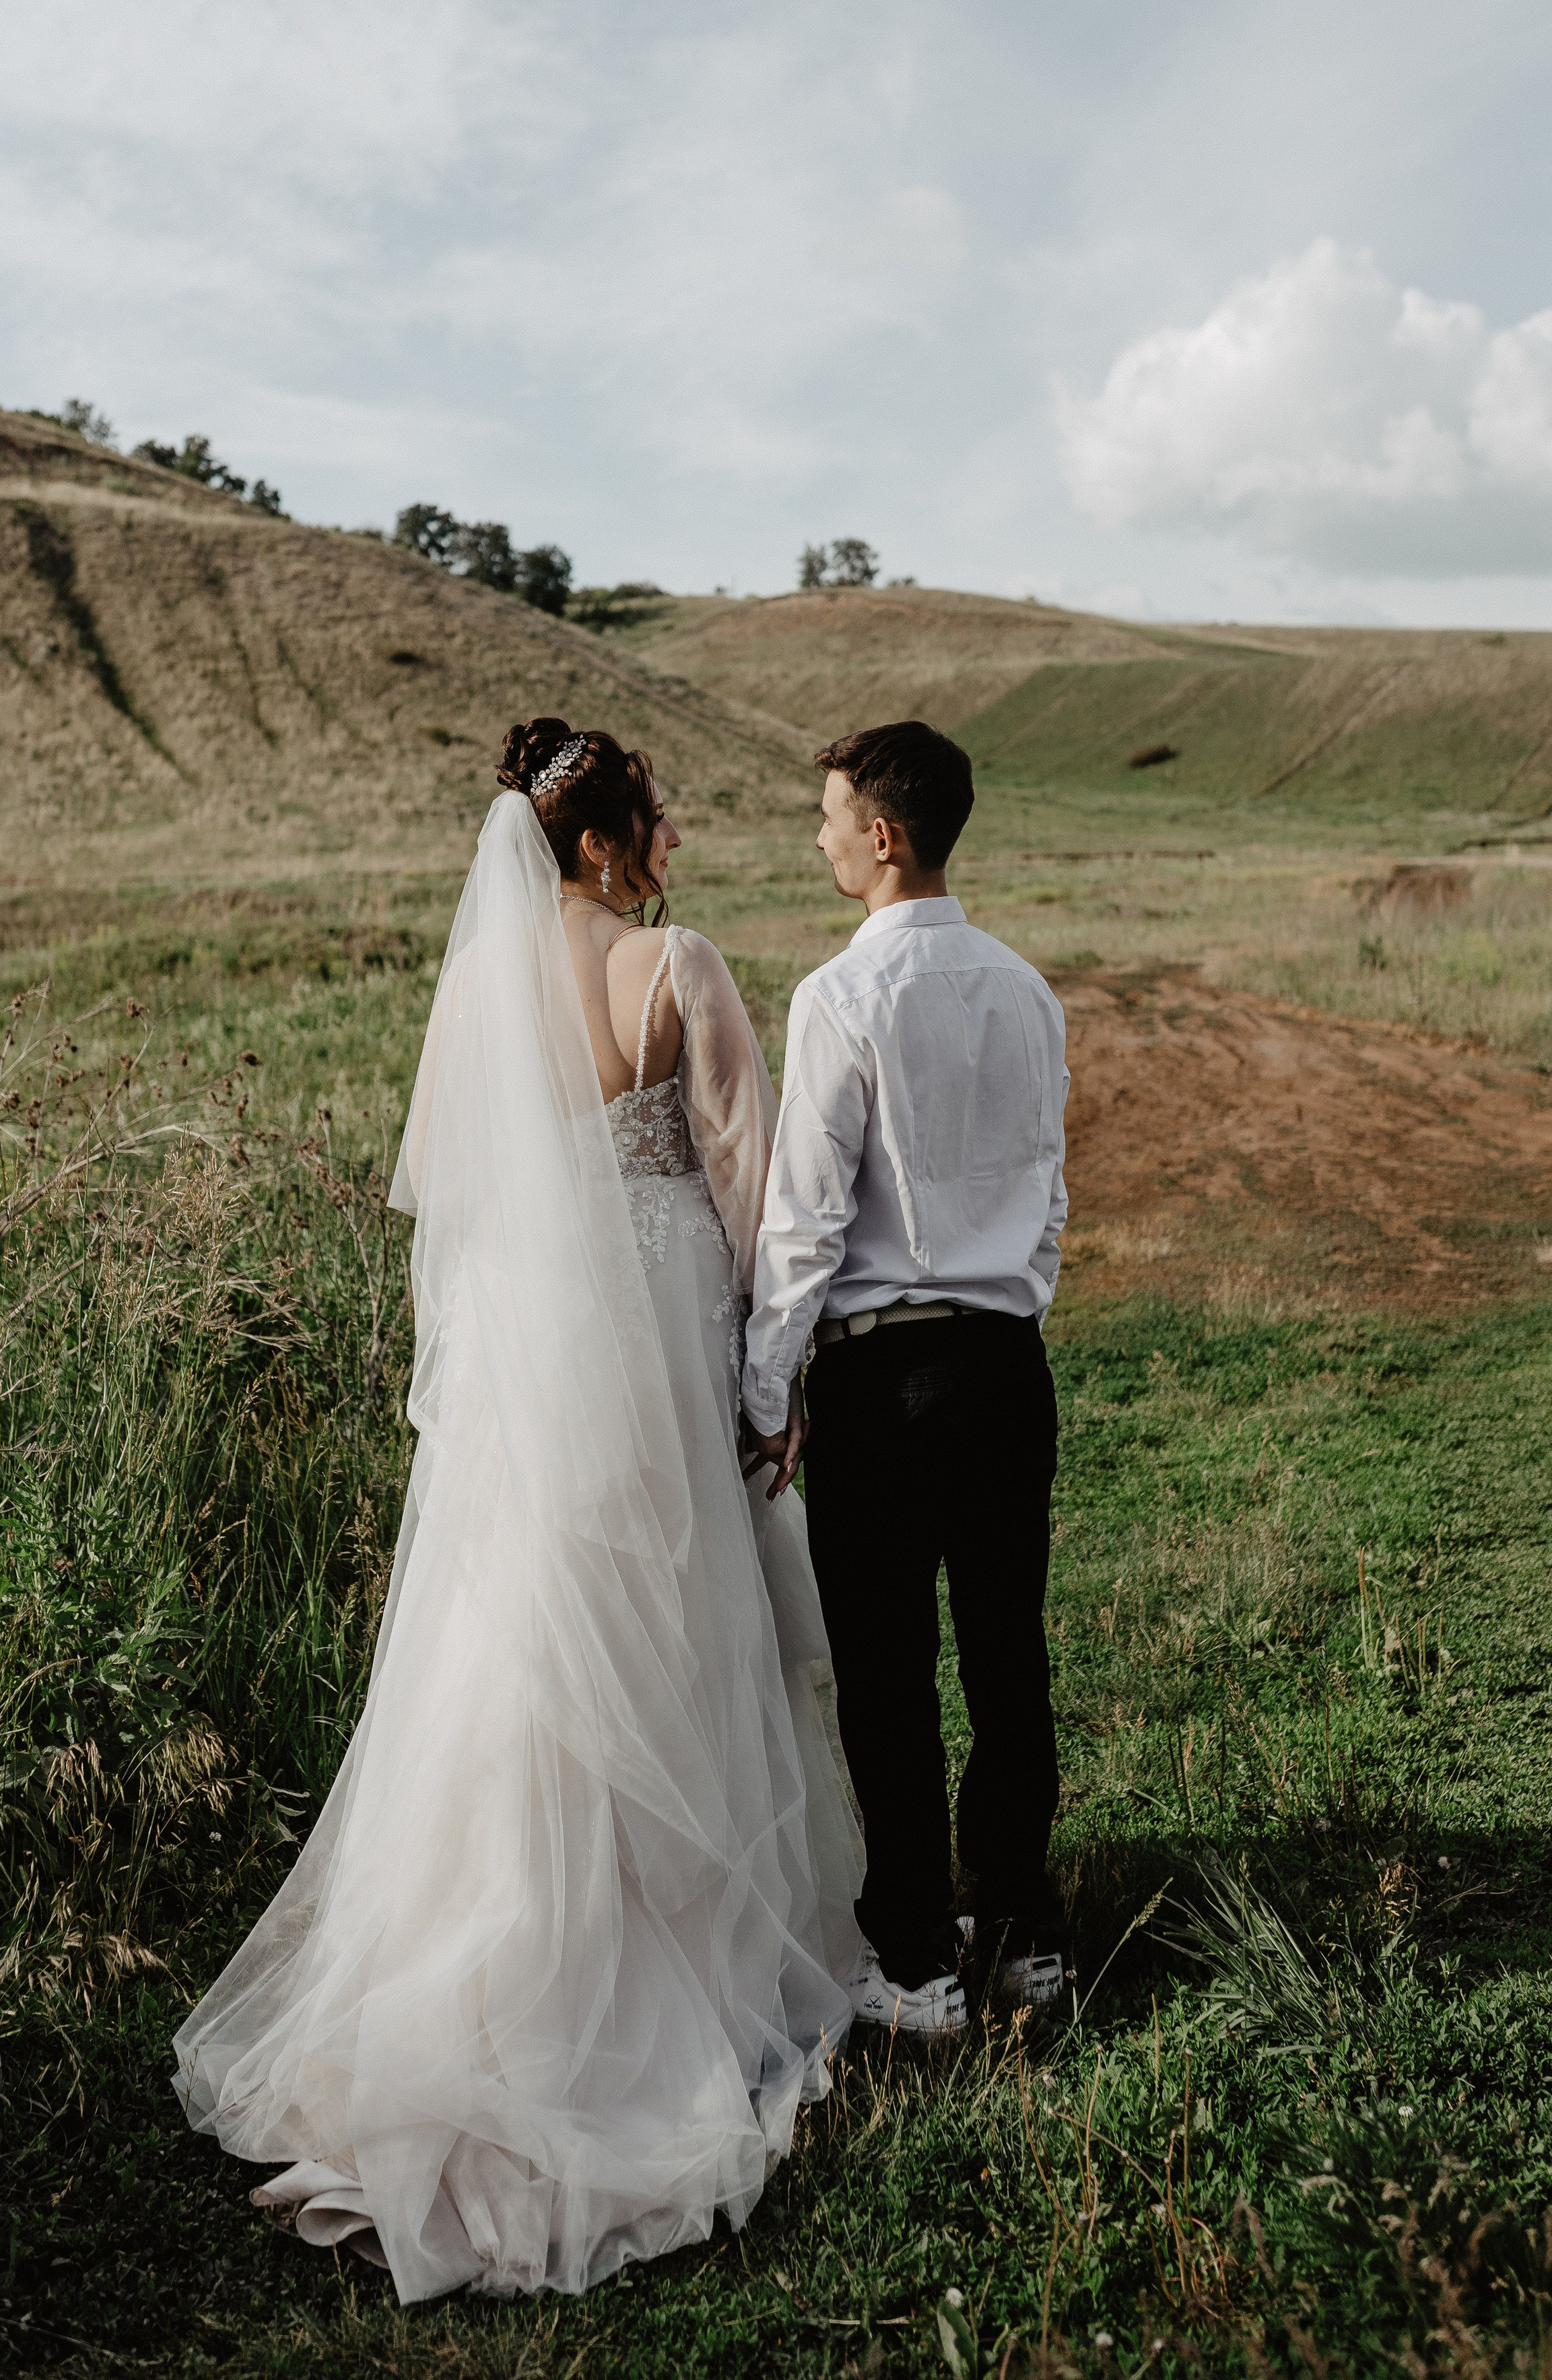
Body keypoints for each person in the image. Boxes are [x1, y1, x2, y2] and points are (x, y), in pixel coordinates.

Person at [172, 718, 861, 2301]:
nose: (671, 840)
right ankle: (667, 1963)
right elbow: (750, 1192)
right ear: (608, 838)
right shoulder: (672, 967)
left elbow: (454, 1183)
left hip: (527, 1349)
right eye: (657, 818)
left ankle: (485, 1958)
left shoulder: (478, 984)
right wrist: (776, 1384)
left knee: (520, 1626)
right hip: (657, 1336)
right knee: (671, 1610)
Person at [741, 720, 1069, 2036]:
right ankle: (1021, 1932)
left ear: (882, 835)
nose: (818, 835)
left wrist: (767, 1391)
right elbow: (1044, 1196)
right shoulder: (1024, 987)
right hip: (1004, 1362)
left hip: (884, 1379)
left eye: (828, 815)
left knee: (886, 1674)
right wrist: (1011, 1300)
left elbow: (805, 1222)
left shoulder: (838, 997)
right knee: (1005, 1656)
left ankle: (919, 1961)